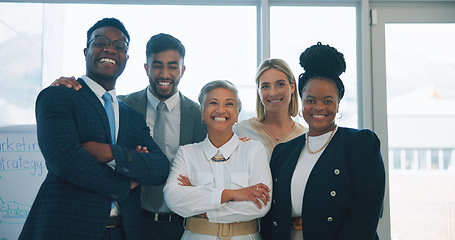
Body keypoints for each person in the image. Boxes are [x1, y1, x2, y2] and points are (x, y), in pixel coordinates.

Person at [19, 18, 169, 240]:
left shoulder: (131, 116)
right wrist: (126, 182)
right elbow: (65, 160)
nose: (110, 48)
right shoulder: (59, 95)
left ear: (126, 58)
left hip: (123, 231)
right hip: (66, 228)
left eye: (120, 46)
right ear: (86, 50)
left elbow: (160, 167)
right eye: (100, 41)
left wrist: (110, 153)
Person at [52, 33, 207, 240]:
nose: (164, 73)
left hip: (182, 224)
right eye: (157, 65)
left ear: (183, 70)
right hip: (132, 222)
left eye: (172, 66)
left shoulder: (200, 116)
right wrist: (62, 87)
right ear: (146, 68)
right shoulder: (122, 107)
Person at [260, 43, 386, 240]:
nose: (319, 107)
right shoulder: (283, 152)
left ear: (338, 104)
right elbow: (271, 216)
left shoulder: (360, 143)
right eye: (311, 100)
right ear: (301, 101)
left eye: (327, 101)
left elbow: (366, 213)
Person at [163, 80, 272, 240]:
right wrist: (232, 194)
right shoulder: (186, 153)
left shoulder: (254, 150)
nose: (221, 110)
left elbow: (261, 204)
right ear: (202, 112)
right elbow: (173, 198)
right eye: (213, 103)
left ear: (237, 114)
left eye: (229, 104)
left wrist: (202, 208)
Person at [234, 58, 306, 154]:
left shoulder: (306, 137)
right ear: (258, 91)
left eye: (280, 84)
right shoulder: (240, 131)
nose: (273, 93)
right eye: (265, 86)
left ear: (292, 86)